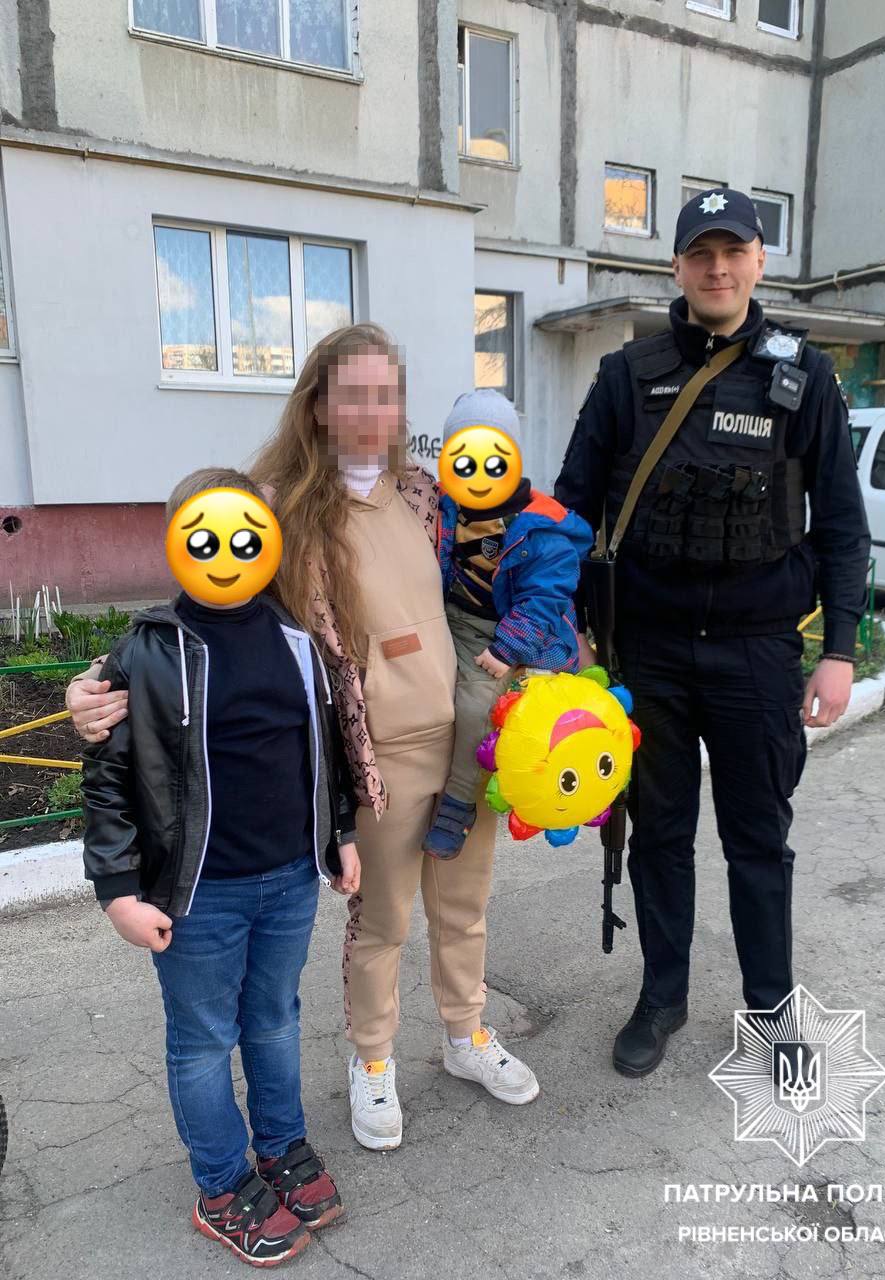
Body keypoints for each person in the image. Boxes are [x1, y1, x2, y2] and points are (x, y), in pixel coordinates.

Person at [68, 325, 540, 1160]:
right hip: (377, 753)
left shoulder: (428, 496)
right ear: (319, 404)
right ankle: (374, 1061)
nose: (373, 412)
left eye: (386, 395)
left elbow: (502, 581)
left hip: (464, 739)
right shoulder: (281, 507)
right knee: (383, 921)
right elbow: (209, 600)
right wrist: (100, 682)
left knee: (464, 907)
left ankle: (466, 1035)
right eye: (354, 395)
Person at [555, 188, 871, 1078]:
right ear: (678, 267)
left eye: (734, 252)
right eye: (702, 253)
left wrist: (839, 651)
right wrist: (569, 631)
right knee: (659, 835)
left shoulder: (806, 379)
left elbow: (841, 527)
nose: (718, 268)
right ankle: (662, 998)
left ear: (760, 262)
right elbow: (570, 512)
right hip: (650, 653)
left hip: (756, 652)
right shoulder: (626, 376)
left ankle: (771, 1012)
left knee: (758, 841)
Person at [81, 466, 360, 1268]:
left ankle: (280, 1147)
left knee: (275, 1019)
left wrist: (339, 835)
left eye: (247, 537)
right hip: (198, 894)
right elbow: (106, 778)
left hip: (289, 879)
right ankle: (221, 1183)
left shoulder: (295, 638)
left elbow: (325, 750)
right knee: (203, 1040)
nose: (230, 554)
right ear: (178, 544)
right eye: (209, 538)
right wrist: (118, 891)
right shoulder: (146, 650)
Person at [424, 388, 593, 858]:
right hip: (456, 620)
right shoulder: (445, 506)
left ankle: (458, 804)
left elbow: (546, 596)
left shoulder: (540, 526)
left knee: (476, 705)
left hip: (515, 632)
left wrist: (507, 648)